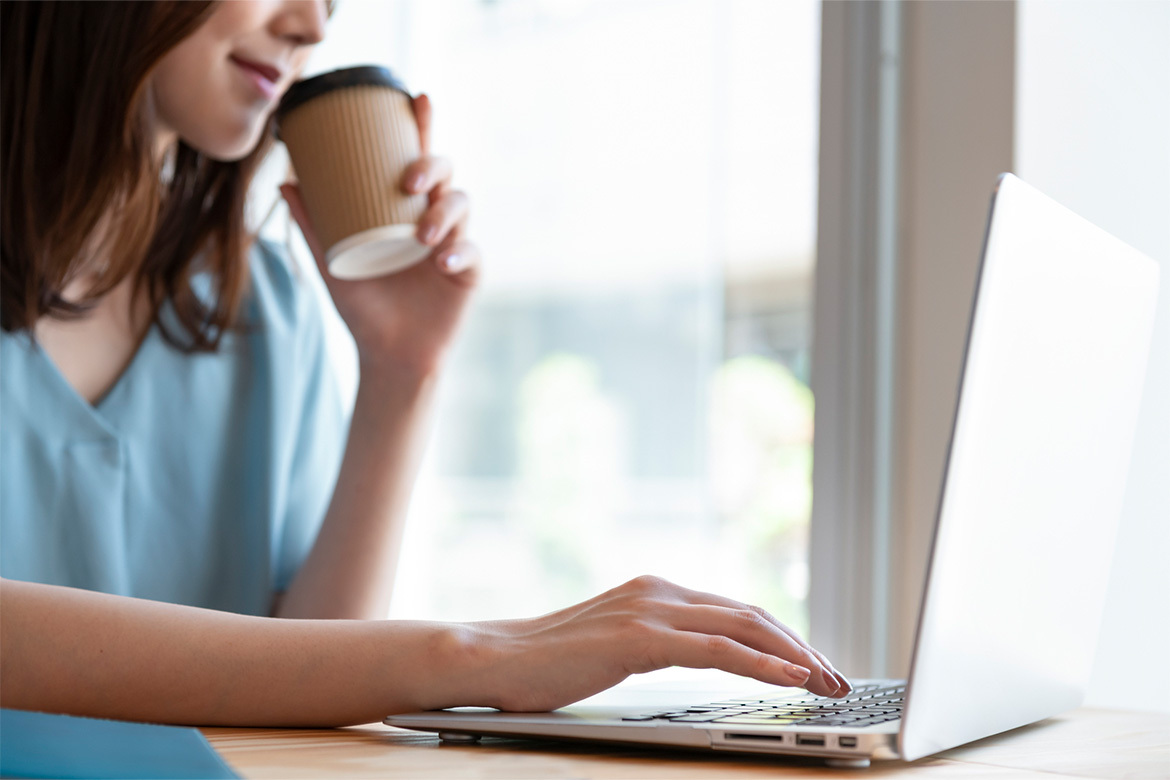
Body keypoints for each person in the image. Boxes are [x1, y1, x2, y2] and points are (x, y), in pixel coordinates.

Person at [0, 0, 851, 727]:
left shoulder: (266, 308)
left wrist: (403, 369)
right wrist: (471, 655)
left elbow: (308, 676)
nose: (308, 24)